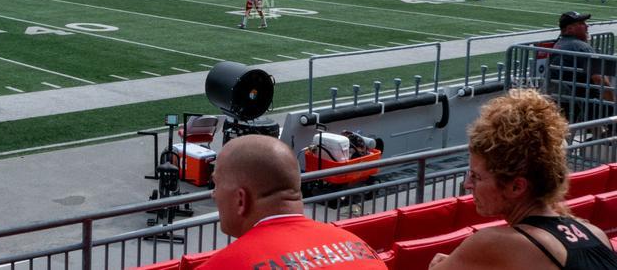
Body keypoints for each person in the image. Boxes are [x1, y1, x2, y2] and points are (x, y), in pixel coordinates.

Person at [428, 90, 617, 269]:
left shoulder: (494, 243)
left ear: (516, 187)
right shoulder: (595, 233)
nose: (467, 184)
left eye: (476, 177)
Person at [196, 135, 385, 269]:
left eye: (216, 185)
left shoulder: (223, 266)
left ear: (240, 199)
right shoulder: (359, 246)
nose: (214, 194)